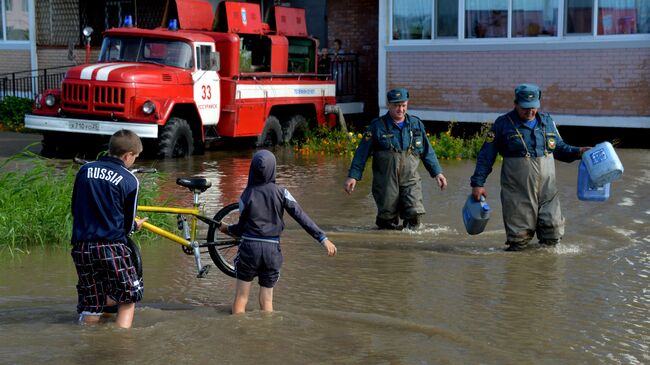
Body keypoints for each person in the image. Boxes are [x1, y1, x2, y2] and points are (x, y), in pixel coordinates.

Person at [470, 83, 589, 251]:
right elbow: (486, 156)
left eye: (533, 107)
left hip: (548, 191)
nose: (530, 111)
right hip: (518, 192)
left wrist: (580, 152)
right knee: (518, 240)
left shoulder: (547, 121)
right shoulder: (503, 124)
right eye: (525, 107)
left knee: (552, 235)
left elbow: (560, 149)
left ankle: (542, 274)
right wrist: (478, 183)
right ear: (515, 103)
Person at [219, 149, 337, 314]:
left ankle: (239, 334)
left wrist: (226, 228)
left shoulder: (246, 195)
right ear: (273, 169)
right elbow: (301, 217)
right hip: (272, 250)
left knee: (241, 297)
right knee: (267, 301)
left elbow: (241, 228)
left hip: (250, 249)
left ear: (252, 169)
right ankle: (267, 335)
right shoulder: (282, 193)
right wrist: (322, 238)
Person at [70, 129, 147, 328]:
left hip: (82, 247)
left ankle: (87, 339)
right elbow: (128, 224)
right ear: (128, 155)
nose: (134, 161)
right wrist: (135, 226)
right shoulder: (130, 180)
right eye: (135, 157)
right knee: (129, 297)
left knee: (92, 301)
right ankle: (121, 347)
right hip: (110, 246)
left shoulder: (85, 170)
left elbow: (74, 207)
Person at [344, 88, 448, 230]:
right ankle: (386, 245)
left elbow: (427, 151)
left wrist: (438, 173)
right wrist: (353, 176)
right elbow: (361, 154)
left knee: (414, 213)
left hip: (410, 179)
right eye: (397, 106)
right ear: (389, 105)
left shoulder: (416, 125)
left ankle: (409, 247)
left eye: (403, 105)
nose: (401, 109)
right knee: (387, 218)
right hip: (386, 181)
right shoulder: (377, 126)